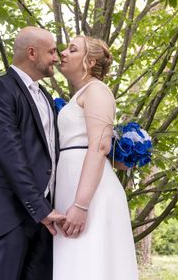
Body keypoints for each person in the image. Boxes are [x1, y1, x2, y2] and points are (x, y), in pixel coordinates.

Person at [0, 26, 66, 280]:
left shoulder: (45, 96)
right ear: (32, 53)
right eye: (52, 51)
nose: (57, 57)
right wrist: (40, 207)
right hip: (5, 217)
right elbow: (9, 152)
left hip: (44, 223)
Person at [53, 36, 139, 279]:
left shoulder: (97, 91)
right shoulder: (80, 94)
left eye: (72, 49)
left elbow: (100, 146)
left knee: (91, 263)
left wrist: (81, 205)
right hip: (72, 184)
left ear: (90, 62)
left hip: (90, 194)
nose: (63, 53)